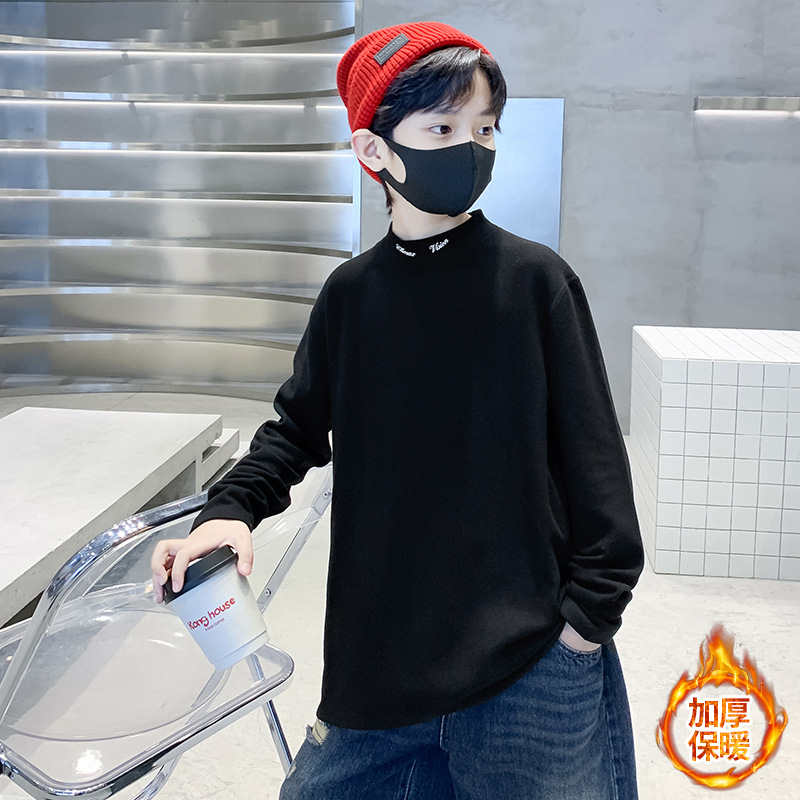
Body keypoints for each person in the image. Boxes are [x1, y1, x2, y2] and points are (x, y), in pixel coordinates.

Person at [151, 21, 644, 800]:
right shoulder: (351, 296)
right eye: (443, 128)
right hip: (378, 669)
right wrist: (229, 510)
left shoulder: (535, 284)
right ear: (373, 150)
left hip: (529, 667)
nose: (472, 148)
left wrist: (585, 626)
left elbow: (598, 471)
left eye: (485, 128)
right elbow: (295, 429)